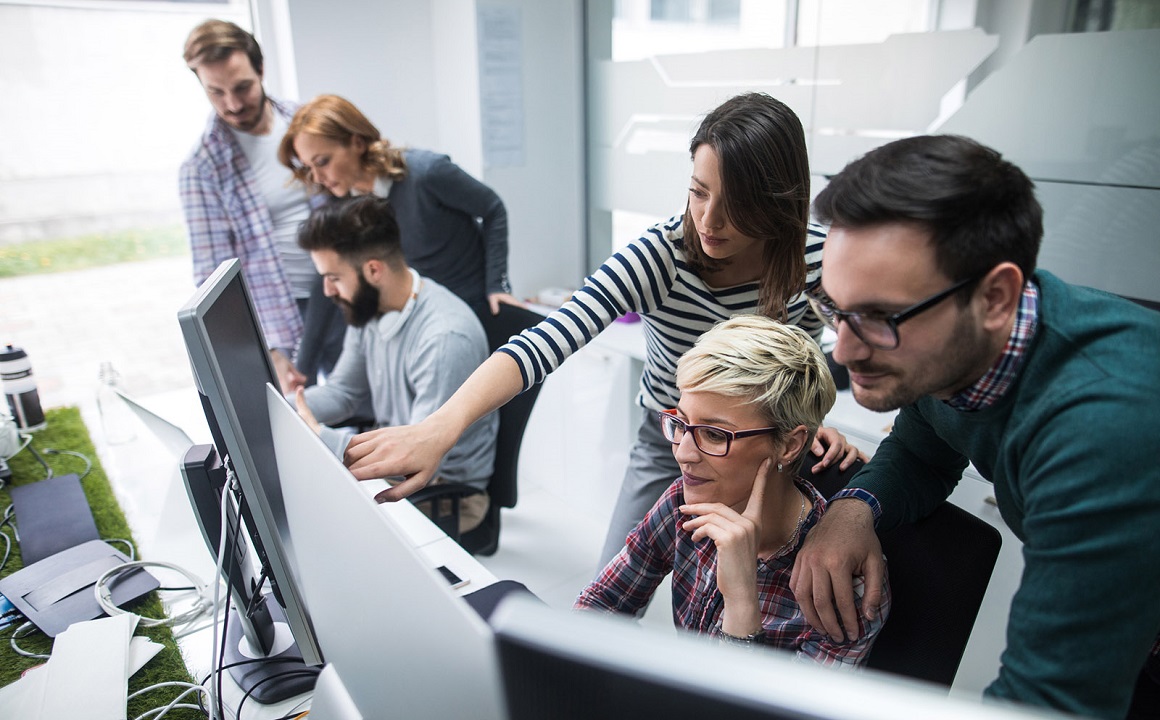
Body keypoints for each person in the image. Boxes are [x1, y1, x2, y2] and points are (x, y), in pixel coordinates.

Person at [335, 92, 865, 568]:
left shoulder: (817, 257)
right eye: (699, 193)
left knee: (759, 594)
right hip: (671, 440)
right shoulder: (662, 256)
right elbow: (546, 339)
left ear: (776, 202)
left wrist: (807, 422)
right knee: (609, 588)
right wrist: (439, 428)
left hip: (764, 445)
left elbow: (824, 356)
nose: (708, 220)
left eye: (736, 206)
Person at [790, 134, 1160, 719]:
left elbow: (1046, 703)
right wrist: (853, 507)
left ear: (995, 297)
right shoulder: (952, 352)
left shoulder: (1104, 428)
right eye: (836, 308)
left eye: (881, 317)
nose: (845, 351)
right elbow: (923, 449)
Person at [575, 316, 889, 667]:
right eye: (681, 423)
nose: (683, 453)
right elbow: (601, 603)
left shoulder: (844, 585)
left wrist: (742, 603)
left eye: (714, 434)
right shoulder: (683, 502)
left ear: (789, 445)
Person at [294, 195, 498, 533]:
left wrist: (319, 436)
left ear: (374, 270)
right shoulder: (370, 307)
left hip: (444, 493)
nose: (327, 291)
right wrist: (277, 407)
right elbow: (343, 392)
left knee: (313, 523)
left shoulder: (444, 337)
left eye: (334, 277)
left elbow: (414, 460)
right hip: (398, 463)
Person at [179, 19, 343, 392]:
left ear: (261, 70)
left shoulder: (304, 123)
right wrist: (267, 346)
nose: (233, 104)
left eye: (242, 87)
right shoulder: (202, 168)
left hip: (343, 292)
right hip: (280, 317)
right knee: (304, 412)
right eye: (216, 92)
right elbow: (213, 280)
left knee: (364, 405)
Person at [278, 94, 520, 322]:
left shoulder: (427, 173)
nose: (317, 177)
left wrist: (497, 285)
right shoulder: (344, 204)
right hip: (425, 313)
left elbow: (493, 208)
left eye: (322, 162)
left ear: (357, 142)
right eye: (309, 167)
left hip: (475, 304)